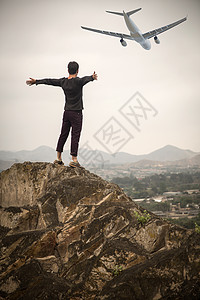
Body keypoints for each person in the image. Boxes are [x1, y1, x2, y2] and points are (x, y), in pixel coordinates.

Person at [26, 61, 97, 167]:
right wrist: (92, 77)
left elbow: (49, 81)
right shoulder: (78, 81)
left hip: (67, 113)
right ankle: (74, 159)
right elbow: (86, 79)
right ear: (77, 71)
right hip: (77, 113)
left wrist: (37, 81)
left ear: (68, 70)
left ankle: (58, 158)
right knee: (75, 135)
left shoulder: (63, 82)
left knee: (63, 134)